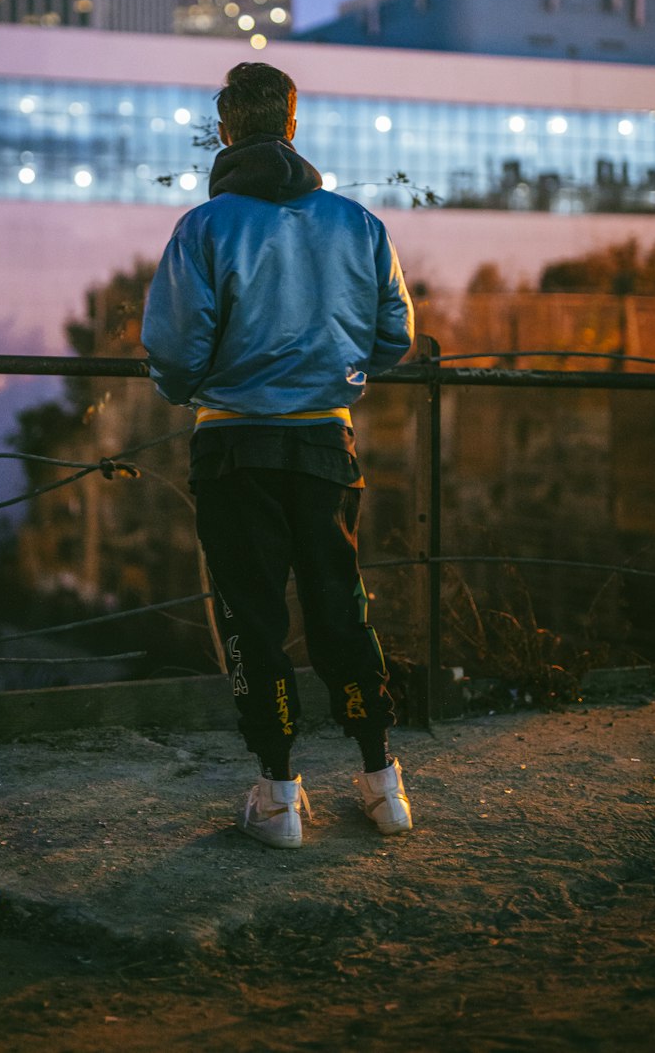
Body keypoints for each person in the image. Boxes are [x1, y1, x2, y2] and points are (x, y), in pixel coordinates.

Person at [141, 61, 415, 849]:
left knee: (251, 618)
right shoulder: (358, 224)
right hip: (327, 441)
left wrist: (196, 386)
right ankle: (381, 781)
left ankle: (280, 795)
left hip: (232, 446)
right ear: (293, 124)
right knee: (340, 603)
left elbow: (173, 353)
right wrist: (343, 374)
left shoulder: (204, 227)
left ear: (227, 130)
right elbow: (393, 335)